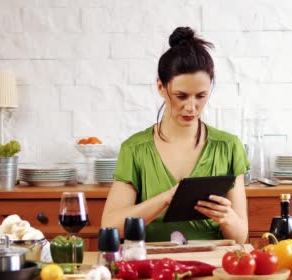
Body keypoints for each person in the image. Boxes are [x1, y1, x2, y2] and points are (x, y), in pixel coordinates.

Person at [101, 27, 249, 243]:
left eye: (201, 96)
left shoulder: (228, 146)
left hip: (213, 263)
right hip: (151, 264)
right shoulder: (135, 149)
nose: (191, 107)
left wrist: (228, 218)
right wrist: (167, 198)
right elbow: (110, 225)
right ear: (160, 86)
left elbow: (241, 237)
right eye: (181, 96)